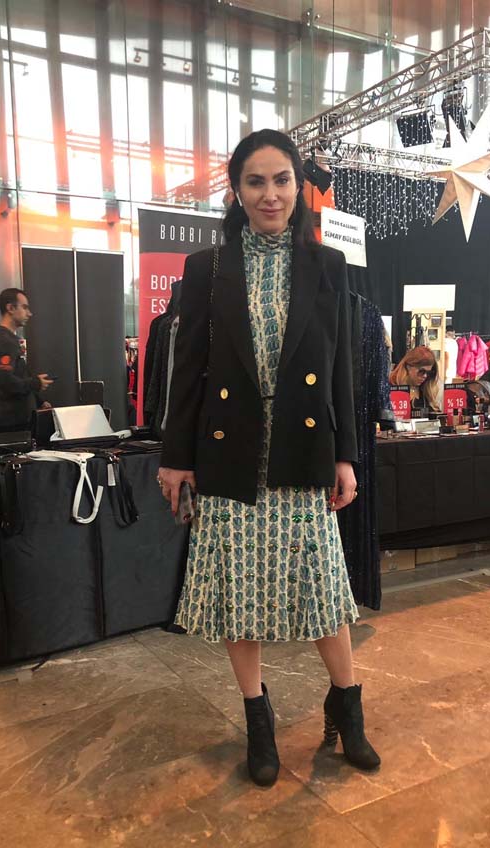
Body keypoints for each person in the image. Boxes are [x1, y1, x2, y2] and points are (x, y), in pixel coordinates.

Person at [158, 128, 380, 787]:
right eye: (255, 181)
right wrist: (175, 457)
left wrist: (345, 455)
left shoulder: (327, 265)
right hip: (230, 452)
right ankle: (258, 717)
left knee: (323, 588)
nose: (269, 194)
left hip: (301, 450)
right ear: (235, 191)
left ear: (298, 187)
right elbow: (188, 371)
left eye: (281, 180)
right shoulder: (207, 269)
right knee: (238, 594)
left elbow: (339, 369)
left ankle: (345, 704)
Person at [0, 288, 53, 432]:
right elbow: (4, 381)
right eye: (24, 307)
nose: (29, 313)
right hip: (11, 423)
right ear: (10, 308)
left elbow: (18, 375)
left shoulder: (9, 339)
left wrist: (38, 400)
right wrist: (35, 383)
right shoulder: (4, 341)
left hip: (18, 418)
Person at [389, 346, 442, 412]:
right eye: (421, 371)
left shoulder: (427, 390)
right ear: (408, 367)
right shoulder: (392, 388)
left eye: (429, 373)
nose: (425, 376)